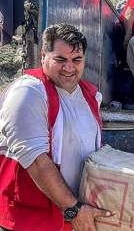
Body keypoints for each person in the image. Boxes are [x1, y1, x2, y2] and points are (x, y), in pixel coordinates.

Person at [0, 24, 112, 231]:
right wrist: (73, 209)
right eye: (60, 60)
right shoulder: (29, 92)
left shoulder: (89, 94)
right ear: (43, 56)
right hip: (30, 220)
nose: (69, 68)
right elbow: (35, 160)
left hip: (69, 218)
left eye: (76, 60)